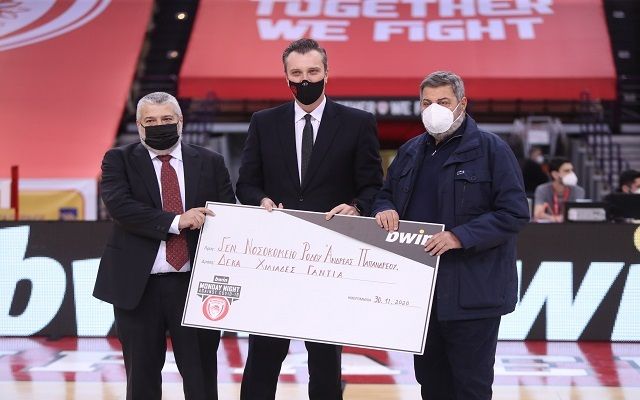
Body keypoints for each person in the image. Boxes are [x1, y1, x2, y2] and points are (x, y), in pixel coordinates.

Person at [235, 38, 383, 400]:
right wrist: (261, 199)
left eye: (313, 72)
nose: (305, 80)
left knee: (325, 363)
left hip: (330, 260)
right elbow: (246, 183)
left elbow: (373, 186)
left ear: (327, 74)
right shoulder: (263, 122)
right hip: (274, 259)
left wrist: (357, 207)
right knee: (263, 359)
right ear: (286, 77)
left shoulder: (358, 123)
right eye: (297, 73)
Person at [372, 71, 529, 400]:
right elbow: (385, 194)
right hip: (422, 295)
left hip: (473, 294)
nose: (434, 109)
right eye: (427, 103)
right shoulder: (410, 151)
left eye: (443, 102)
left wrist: (460, 236)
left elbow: (514, 212)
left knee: (471, 387)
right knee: (431, 385)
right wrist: (384, 208)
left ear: (462, 104)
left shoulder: (492, 150)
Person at [93, 92, 236, 400]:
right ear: (139, 125)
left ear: (180, 121)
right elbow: (120, 208)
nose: (160, 126)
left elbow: (228, 215)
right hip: (139, 288)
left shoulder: (210, 161)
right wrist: (177, 221)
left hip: (195, 286)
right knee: (141, 380)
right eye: (151, 121)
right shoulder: (118, 159)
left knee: (201, 379)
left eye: (167, 119)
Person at [533, 157, 585, 222]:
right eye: (567, 171)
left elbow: (578, 215)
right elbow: (537, 214)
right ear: (555, 174)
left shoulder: (578, 191)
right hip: (549, 226)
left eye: (572, 170)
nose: (571, 174)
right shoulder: (542, 190)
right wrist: (555, 218)